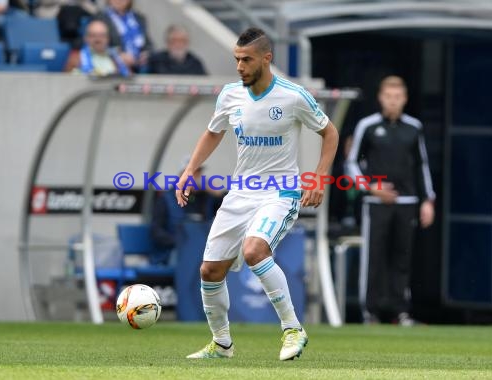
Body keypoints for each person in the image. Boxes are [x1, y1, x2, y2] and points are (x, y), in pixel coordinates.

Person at [175, 27, 339, 360]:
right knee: (209, 271)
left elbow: (329, 132)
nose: (239, 66)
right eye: (236, 59)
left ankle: (292, 329)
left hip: (280, 192)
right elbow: (212, 133)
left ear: (267, 58)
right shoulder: (230, 95)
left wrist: (318, 179)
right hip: (241, 193)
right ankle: (222, 343)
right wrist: (189, 170)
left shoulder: (293, 96)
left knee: (254, 250)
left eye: (246, 60)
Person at [347, 75, 435, 326]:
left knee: (402, 258)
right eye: (389, 96)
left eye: (398, 97)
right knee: (374, 258)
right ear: (381, 98)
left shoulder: (414, 127)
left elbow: (422, 165)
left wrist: (427, 200)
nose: (393, 101)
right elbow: (352, 162)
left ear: (405, 99)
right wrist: (371, 188)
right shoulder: (368, 126)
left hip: (407, 202)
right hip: (376, 204)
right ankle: (370, 312)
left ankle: (400, 312)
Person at [151, 159, 223, 265]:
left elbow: (226, 215)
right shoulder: (167, 198)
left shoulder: (206, 197)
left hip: (201, 251)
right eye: (193, 173)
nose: (197, 177)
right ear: (182, 175)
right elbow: (156, 231)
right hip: (172, 252)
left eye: (199, 173)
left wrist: (218, 195)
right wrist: (180, 242)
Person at [95, 0, 153, 73]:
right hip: (114, 69)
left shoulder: (139, 18)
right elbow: (95, 45)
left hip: (140, 68)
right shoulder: (100, 17)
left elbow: (149, 46)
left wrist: (145, 55)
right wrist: (117, 56)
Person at [65, 19, 130, 77]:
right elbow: (68, 84)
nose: (98, 39)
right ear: (86, 38)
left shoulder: (118, 59)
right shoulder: (76, 58)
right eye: (93, 35)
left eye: (102, 35)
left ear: (108, 38)